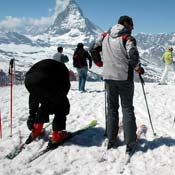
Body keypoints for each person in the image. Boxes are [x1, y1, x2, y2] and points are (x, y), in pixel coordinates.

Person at [96, 15, 144, 153]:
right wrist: (139, 69)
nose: (133, 27)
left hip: (108, 77)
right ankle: (130, 142)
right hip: (124, 78)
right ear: (125, 24)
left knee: (112, 108)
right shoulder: (127, 38)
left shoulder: (105, 36)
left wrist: (99, 63)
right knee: (127, 108)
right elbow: (133, 57)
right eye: (131, 24)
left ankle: (111, 139)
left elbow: (93, 48)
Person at [24, 59, 71, 149]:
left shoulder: (50, 66)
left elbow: (34, 97)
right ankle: (58, 134)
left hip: (28, 80)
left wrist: (32, 115)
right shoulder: (63, 70)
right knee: (62, 105)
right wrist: (57, 103)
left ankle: (36, 129)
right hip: (44, 80)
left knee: (44, 102)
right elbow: (64, 90)